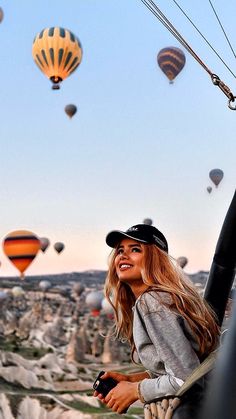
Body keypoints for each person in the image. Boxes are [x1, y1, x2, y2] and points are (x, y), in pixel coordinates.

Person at [93, 224, 220, 416]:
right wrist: (133, 379)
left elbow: (185, 379)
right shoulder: (162, 298)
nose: (123, 255)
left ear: (155, 258)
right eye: (120, 250)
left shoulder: (152, 302)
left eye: (135, 249)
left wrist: (135, 391)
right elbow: (183, 365)